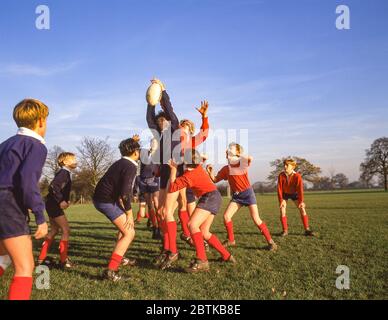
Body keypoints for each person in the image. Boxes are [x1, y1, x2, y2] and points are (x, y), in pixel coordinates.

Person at [0, 99, 49, 300]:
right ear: (40, 121)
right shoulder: (36, 145)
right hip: (8, 203)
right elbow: (27, 182)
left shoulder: (5, 144)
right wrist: (40, 215)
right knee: (25, 267)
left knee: (3, 257)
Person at [160, 149, 236, 272]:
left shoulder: (188, 176)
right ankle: (227, 255)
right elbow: (199, 159)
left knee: (192, 225)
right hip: (215, 196)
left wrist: (173, 170)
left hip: (209, 197)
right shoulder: (197, 168)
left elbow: (173, 187)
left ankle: (202, 260)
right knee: (204, 232)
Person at [207, 143, 277, 251]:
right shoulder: (226, 169)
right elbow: (215, 180)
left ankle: (271, 242)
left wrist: (239, 156)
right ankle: (231, 240)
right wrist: (210, 172)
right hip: (237, 196)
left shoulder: (242, 163)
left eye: (232, 148)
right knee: (226, 217)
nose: (228, 149)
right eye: (228, 149)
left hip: (248, 193)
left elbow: (250, 158)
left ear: (238, 152)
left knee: (256, 219)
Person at [93, 135, 140, 282]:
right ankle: (111, 272)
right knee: (129, 232)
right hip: (105, 201)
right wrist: (130, 214)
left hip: (103, 199)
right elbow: (125, 194)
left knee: (124, 229)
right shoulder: (130, 165)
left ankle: (121, 258)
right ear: (135, 152)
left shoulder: (121, 162)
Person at [38, 152, 77, 269]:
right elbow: (54, 186)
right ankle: (63, 260)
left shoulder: (65, 173)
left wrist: (66, 199)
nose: (75, 161)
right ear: (64, 162)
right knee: (66, 230)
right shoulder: (64, 172)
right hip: (54, 204)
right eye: (72, 159)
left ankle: (41, 258)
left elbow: (60, 188)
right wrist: (61, 201)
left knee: (54, 230)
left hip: (51, 204)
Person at [277, 158, 316, 237]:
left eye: (287, 165)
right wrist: (281, 200)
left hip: (294, 194)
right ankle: (285, 231)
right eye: (284, 165)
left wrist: (301, 201)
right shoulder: (281, 175)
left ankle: (307, 230)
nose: (285, 166)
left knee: (302, 209)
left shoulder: (297, 176)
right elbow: (279, 189)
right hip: (284, 194)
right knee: (282, 210)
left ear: (293, 167)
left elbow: (300, 189)